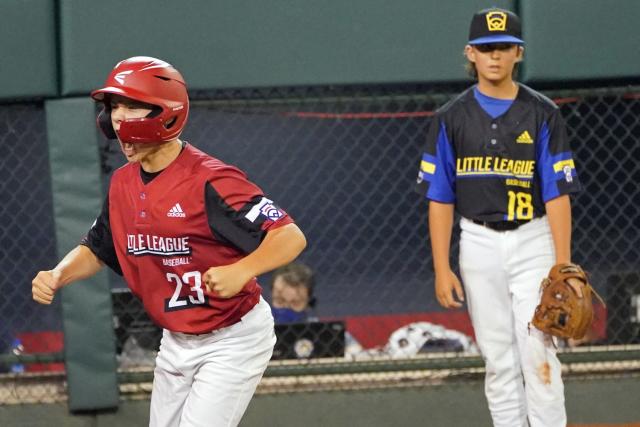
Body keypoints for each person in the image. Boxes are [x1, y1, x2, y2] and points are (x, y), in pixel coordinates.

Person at [32, 56, 306, 427]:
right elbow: (98, 247)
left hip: (232, 337)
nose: (118, 116)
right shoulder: (122, 184)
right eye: (114, 106)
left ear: (166, 112)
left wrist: (243, 269)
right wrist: (58, 274)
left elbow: (289, 236)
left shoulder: (212, 180)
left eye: (131, 105)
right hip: (176, 340)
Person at [415, 8, 581, 427]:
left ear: (518, 53)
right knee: (498, 358)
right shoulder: (450, 118)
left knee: (538, 350)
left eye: (504, 47)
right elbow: (440, 197)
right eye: (486, 48)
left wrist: (563, 263)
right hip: (478, 241)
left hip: (533, 238)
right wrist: (441, 266)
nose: (494, 56)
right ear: (470, 53)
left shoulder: (543, 112)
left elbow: (558, 194)